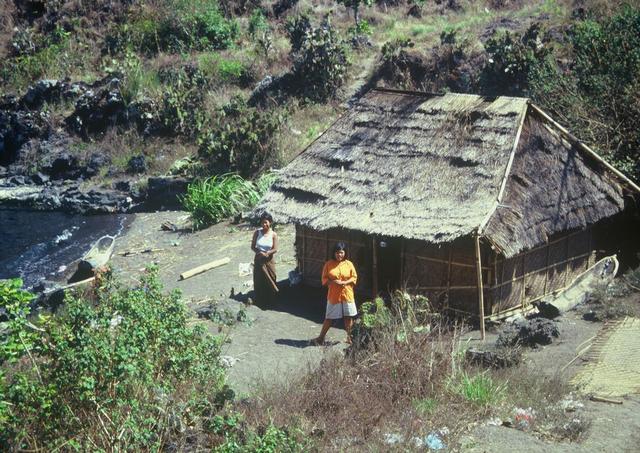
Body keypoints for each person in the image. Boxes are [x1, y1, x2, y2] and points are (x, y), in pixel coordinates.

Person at [311, 242, 358, 345]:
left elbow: (354, 277)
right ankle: (320, 338)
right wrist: (333, 282)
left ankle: (350, 338)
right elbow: (324, 279)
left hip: (347, 294)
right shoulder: (328, 264)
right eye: (337, 253)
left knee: (348, 317)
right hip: (334, 295)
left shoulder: (349, 264)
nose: (339, 255)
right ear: (334, 253)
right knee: (329, 318)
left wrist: (344, 282)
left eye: (341, 252)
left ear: (345, 253)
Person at [251, 212, 279, 306]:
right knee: (259, 279)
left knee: (271, 277)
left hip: (269, 260)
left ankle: (271, 299)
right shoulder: (257, 232)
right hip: (259, 259)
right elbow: (253, 247)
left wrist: (267, 253)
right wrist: (259, 252)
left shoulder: (273, 234)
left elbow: (275, 249)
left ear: (270, 222)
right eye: (262, 222)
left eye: (266, 222)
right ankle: (259, 300)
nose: (264, 225)